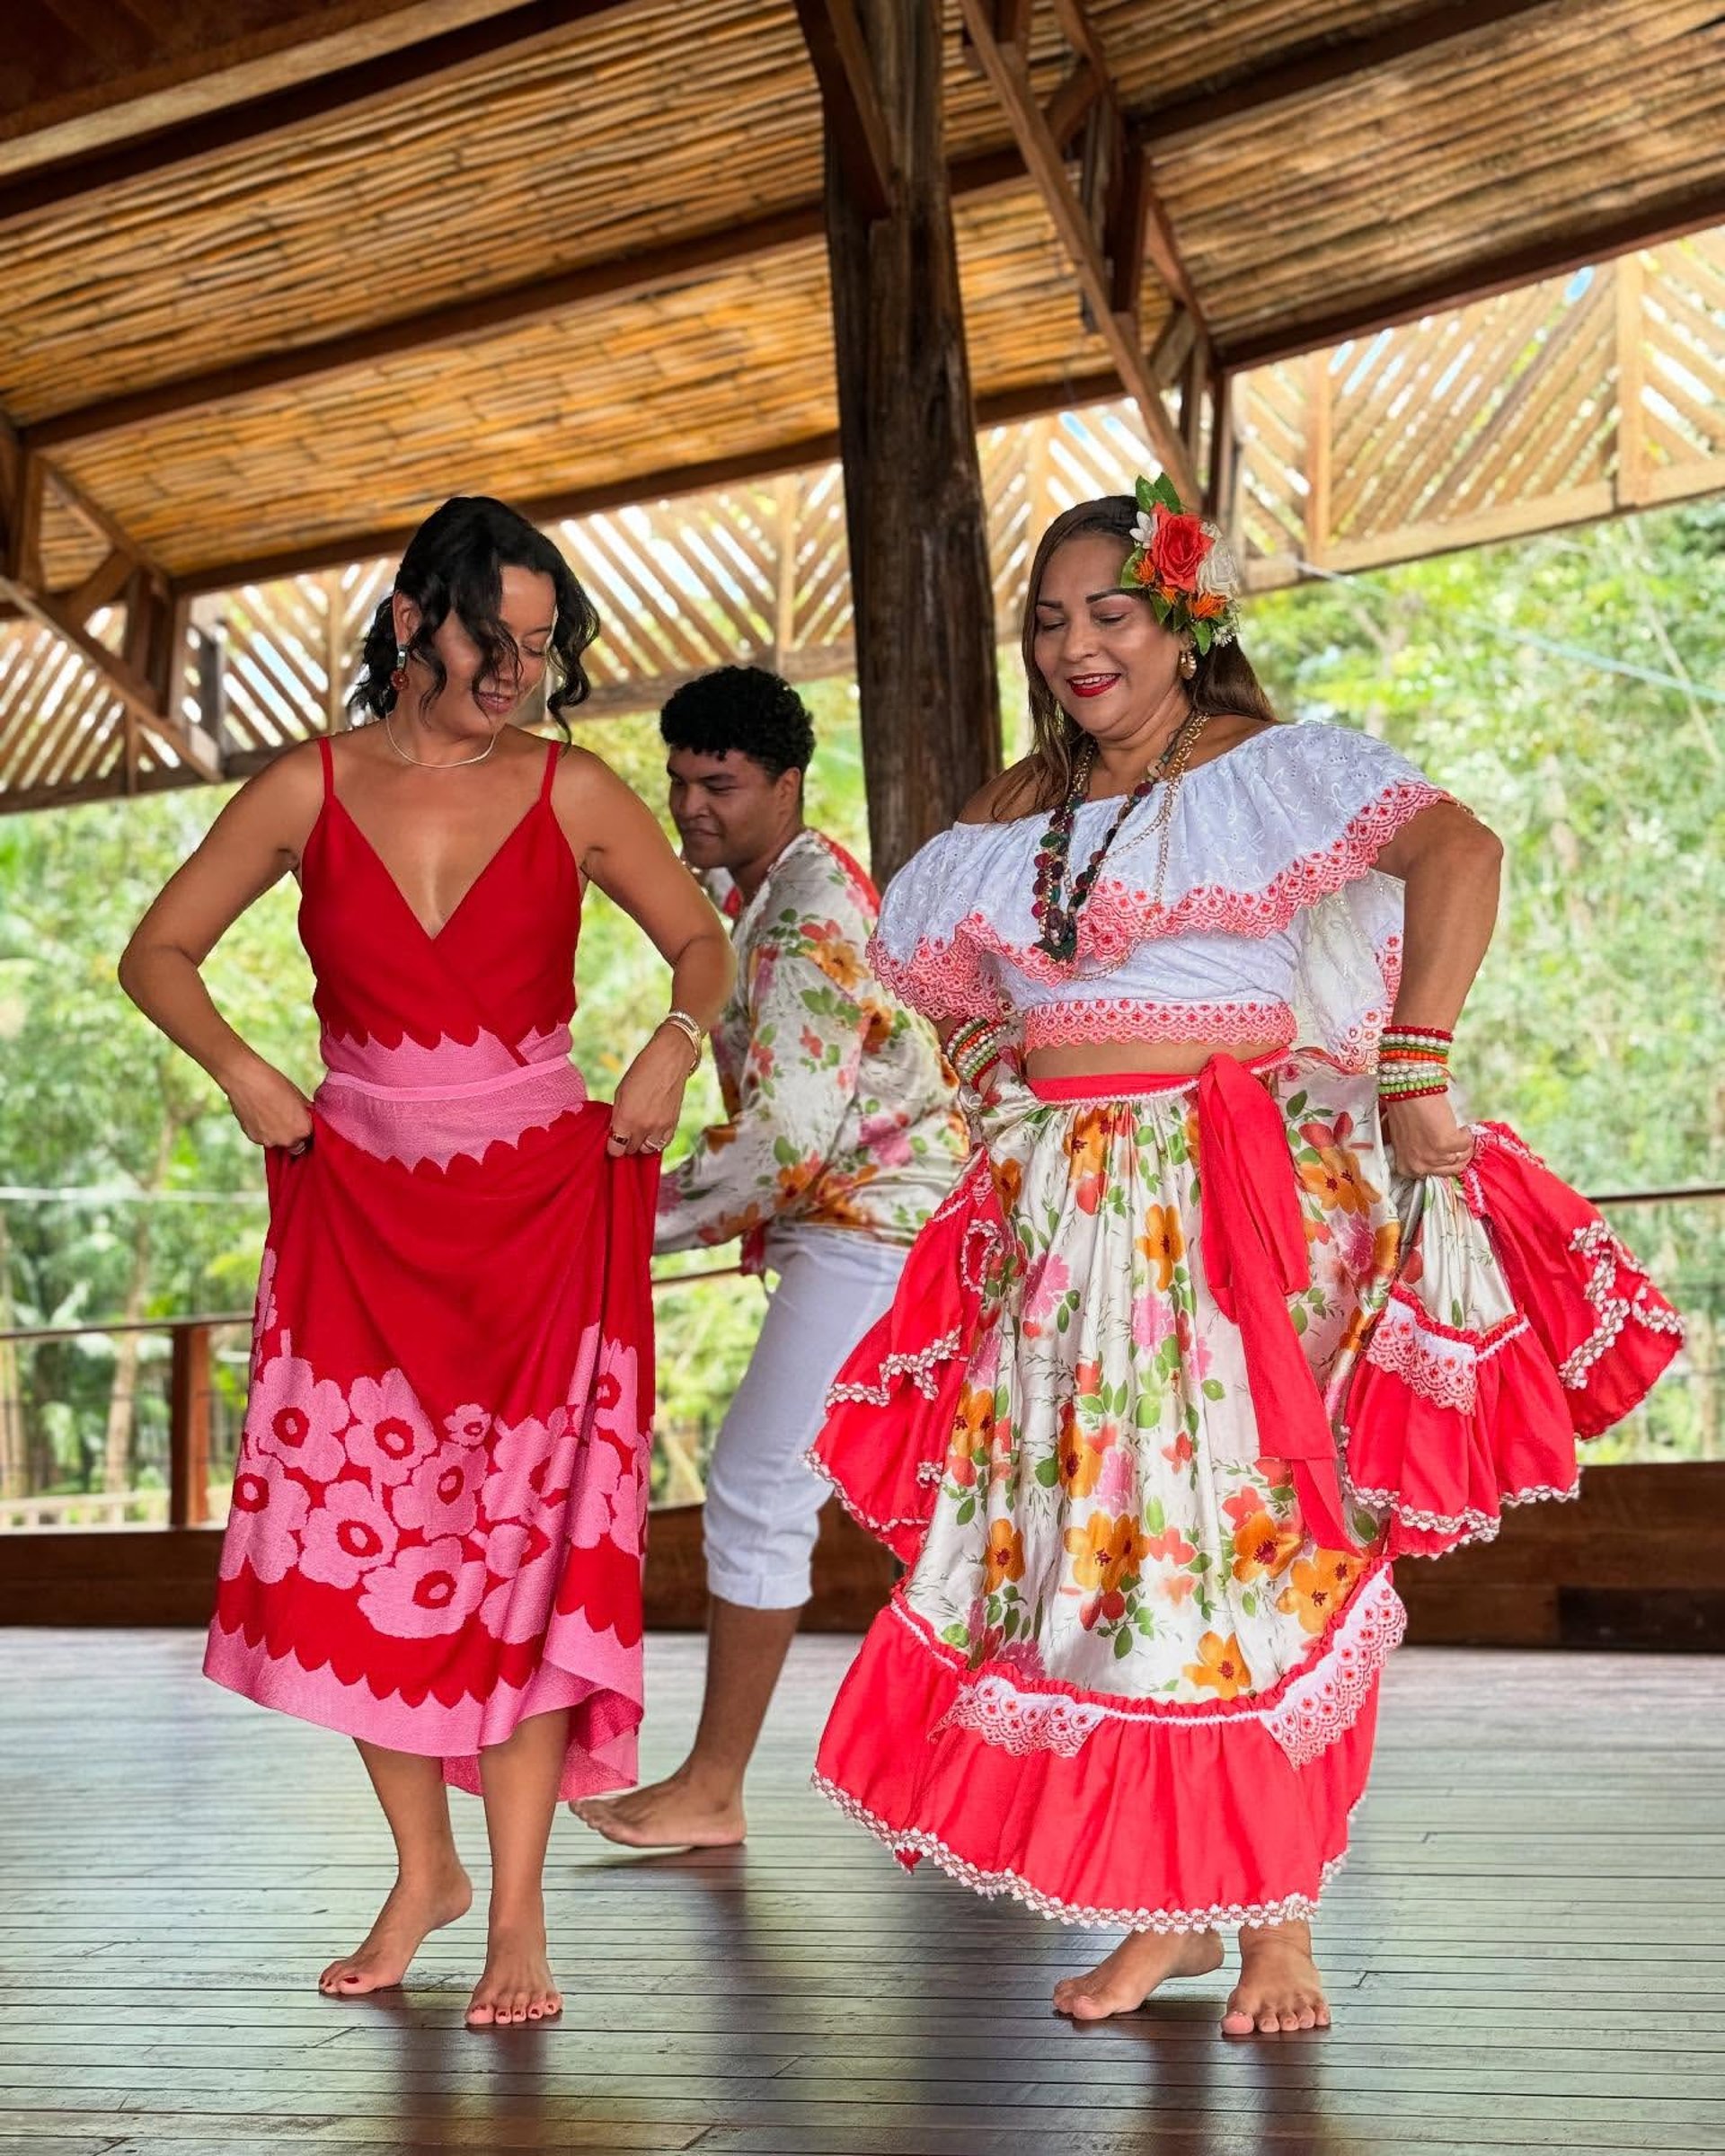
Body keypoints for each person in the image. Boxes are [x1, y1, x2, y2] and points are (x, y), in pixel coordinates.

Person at [807, 480, 1683, 2036]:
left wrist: (1414, 1063)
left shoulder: (1274, 771)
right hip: (1067, 1238)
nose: (1080, 646)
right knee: (1099, 1573)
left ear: (1186, 624)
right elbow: (953, 994)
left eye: (1113, 613)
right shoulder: (1014, 813)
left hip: (1228, 1215)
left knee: (1247, 1554)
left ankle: (1275, 1925)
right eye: (1053, 621)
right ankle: (1171, 1911)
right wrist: (1013, 1097)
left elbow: (1461, 853)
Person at [118, 497, 734, 2027]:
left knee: (520, 1571)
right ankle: (424, 1870)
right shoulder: (305, 788)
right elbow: (155, 951)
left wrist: (670, 1042)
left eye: (541, 646)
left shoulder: (577, 790)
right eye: (491, 640)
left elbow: (704, 946)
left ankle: (516, 1911)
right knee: (357, 1554)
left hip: (539, 1212)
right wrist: (249, 1076)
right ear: (411, 622)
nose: (517, 672)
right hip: (356, 1211)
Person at [572, 666, 968, 1850]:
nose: (694, 808)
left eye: (723, 785)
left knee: (756, 1483)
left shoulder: (800, 915)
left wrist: (610, 1221)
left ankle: (713, 1787)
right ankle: (988, 1780)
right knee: (944, 1505)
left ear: (787, 783)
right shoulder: (781, 892)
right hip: (877, 1225)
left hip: (877, 1230)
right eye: (680, 782)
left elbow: (791, 1138)